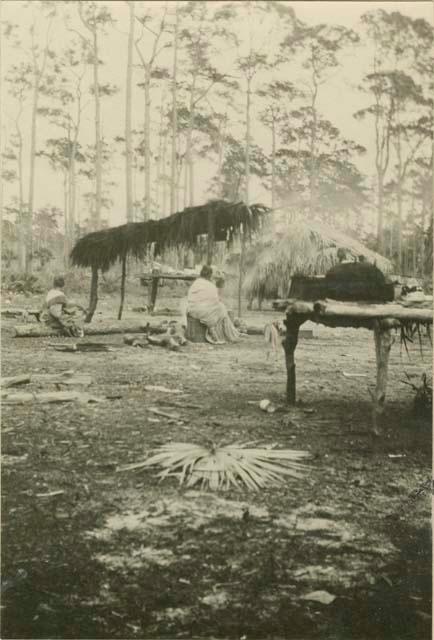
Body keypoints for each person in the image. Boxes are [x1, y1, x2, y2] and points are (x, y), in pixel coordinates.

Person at [186, 265, 240, 344]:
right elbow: (216, 301)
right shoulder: (210, 285)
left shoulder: (195, 283)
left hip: (192, 311)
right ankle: (222, 332)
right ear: (209, 275)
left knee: (218, 307)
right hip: (203, 312)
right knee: (222, 307)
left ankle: (216, 329)